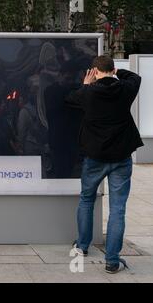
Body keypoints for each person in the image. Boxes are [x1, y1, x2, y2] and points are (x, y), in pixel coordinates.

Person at [65, 55, 143, 274]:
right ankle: (112, 260)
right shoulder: (126, 90)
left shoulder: (87, 93)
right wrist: (116, 72)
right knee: (118, 209)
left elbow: (69, 99)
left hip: (95, 158)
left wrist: (86, 84)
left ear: (94, 72)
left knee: (87, 199)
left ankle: (82, 246)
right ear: (113, 69)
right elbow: (135, 77)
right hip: (121, 158)